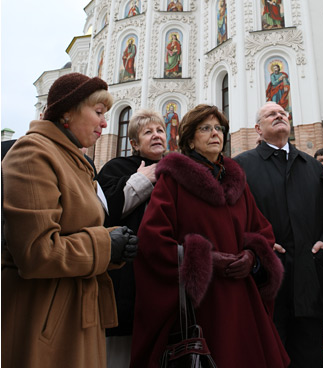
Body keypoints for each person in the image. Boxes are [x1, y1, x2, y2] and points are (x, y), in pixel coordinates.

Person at [131, 104, 289, 368]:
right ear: (191, 138)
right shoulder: (173, 180)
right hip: (202, 304)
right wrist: (206, 260)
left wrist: (252, 257)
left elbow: (262, 231)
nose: (215, 133)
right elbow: (152, 240)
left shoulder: (236, 180)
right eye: (206, 128)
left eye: (219, 128)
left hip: (242, 300)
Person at [1, 73, 138, 368]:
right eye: (99, 113)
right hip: (44, 320)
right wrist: (105, 245)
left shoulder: (75, 161)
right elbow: (37, 252)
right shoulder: (32, 154)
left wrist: (116, 242)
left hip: (77, 312)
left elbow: (78, 228)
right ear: (67, 111)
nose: (105, 123)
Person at [235, 102, 323, 367]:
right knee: (269, 354)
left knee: (310, 354)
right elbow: (233, 220)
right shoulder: (241, 167)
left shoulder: (312, 166)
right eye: (271, 114)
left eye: (282, 113)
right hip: (265, 277)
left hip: (310, 276)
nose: (279, 115)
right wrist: (257, 244)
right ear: (258, 129)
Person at [98, 109, 166, 368]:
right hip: (127, 275)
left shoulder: (174, 168)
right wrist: (143, 179)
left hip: (162, 271)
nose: (156, 135)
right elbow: (107, 211)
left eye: (160, 130)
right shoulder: (116, 167)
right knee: (121, 354)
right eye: (148, 132)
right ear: (135, 144)